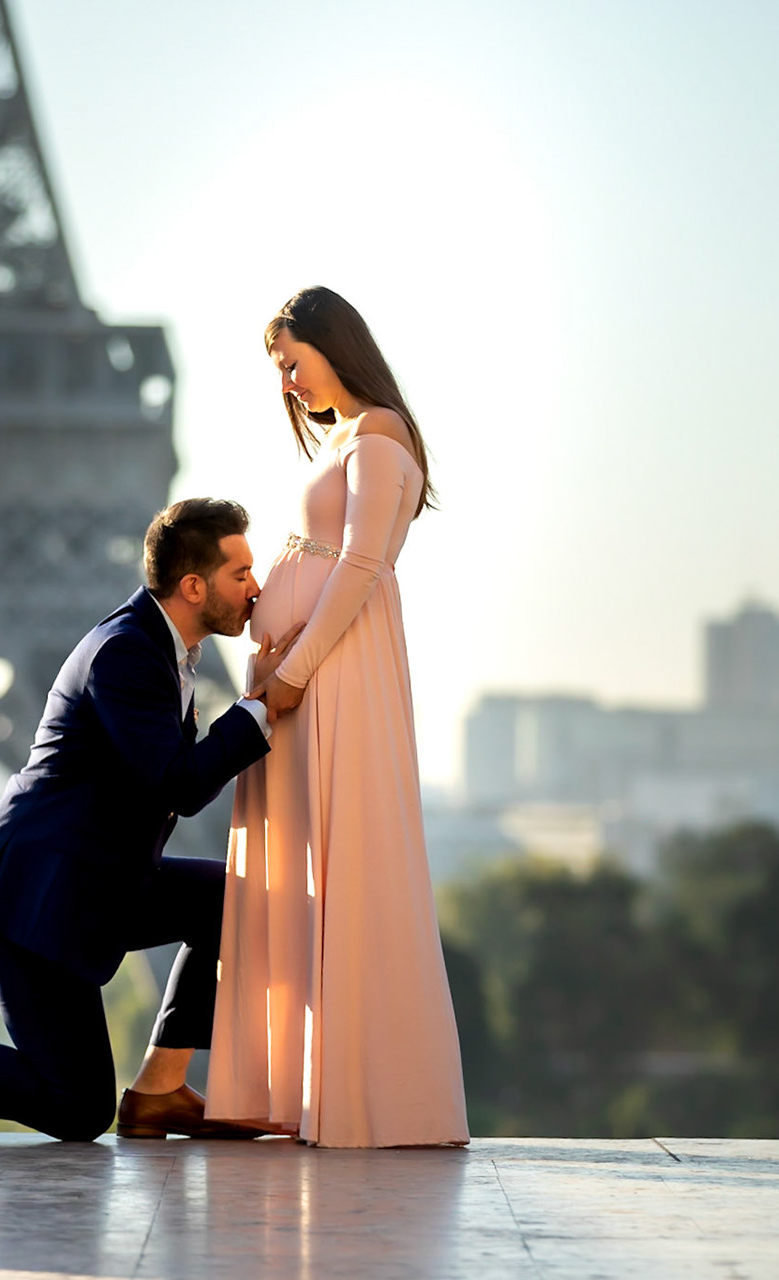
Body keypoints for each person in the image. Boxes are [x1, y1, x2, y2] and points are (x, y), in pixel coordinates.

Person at [0, 498, 303, 1141]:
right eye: (240, 574)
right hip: (32, 899)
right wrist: (258, 708)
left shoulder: (162, 652)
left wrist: (251, 707)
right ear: (193, 586)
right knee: (78, 1108)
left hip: (97, 881)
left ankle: (159, 1089)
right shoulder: (126, 653)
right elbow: (178, 784)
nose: (256, 588)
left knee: (232, 900)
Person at [207, 287, 470, 1147]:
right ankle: (312, 1091)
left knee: (342, 865)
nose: (287, 382)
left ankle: (360, 1097)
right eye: (280, 369)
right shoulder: (350, 437)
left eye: (292, 361)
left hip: (333, 677)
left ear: (333, 343)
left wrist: (293, 672)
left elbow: (360, 567)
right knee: (310, 871)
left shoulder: (378, 435)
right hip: (314, 671)